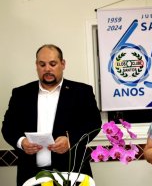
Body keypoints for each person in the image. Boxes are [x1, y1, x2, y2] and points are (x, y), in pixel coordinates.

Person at [1, 44, 102, 186]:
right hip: (30, 174)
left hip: (71, 173)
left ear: (63, 64)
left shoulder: (81, 92)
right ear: (36, 65)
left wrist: (70, 140)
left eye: (52, 64)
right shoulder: (21, 94)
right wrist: (21, 142)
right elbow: (8, 128)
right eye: (42, 64)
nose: (47, 69)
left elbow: (94, 124)